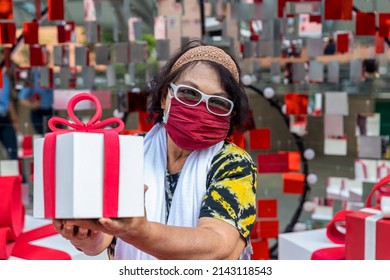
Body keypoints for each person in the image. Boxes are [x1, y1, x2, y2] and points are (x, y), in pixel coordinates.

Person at [53, 39, 258, 260]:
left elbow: (218, 245)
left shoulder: (234, 163)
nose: (200, 109)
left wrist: (140, 231)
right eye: (189, 94)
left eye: (218, 103)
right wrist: (86, 235)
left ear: (230, 114)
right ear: (164, 97)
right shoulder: (128, 153)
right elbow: (102, 240)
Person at [19, 68, 54, 135]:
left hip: (52, 111)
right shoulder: (32, 75)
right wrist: (33, 105)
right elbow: (22, 98)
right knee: (43, 137)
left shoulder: (51, 74)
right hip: (38, 113)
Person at [0, 68, 18, 159]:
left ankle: (18, 172)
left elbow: (9, 101)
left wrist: (14, 120)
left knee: (13, 151)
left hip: (4, 118)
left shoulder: (4, 78)